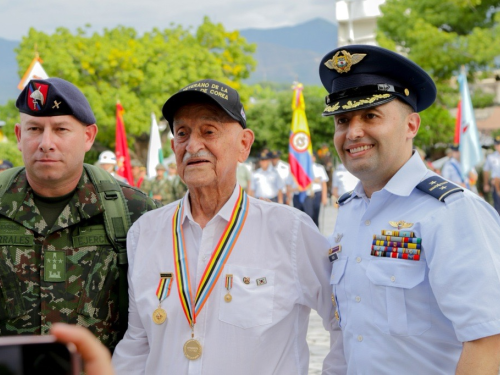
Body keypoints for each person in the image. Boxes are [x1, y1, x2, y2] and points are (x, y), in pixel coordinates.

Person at [112, 79, 339, 374]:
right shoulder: (145, 233)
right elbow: (137, 341)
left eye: (209, 131)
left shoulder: (290, 231)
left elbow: (344, 322)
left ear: (244, 144)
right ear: (173, 147)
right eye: (182, 133)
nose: (193, 145)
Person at [319, 45, 500, 373]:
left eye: (371, 116)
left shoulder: (450, 212)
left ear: (411, 126)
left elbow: (489, 340)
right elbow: (348, 333)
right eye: (342, 120)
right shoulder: (349, 211)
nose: (353, 132)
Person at [0, 78, 159, 351]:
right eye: (34, 129)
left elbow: (155, 321)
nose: (46, 143)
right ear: (18, 136)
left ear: (88, 136)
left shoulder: (134, 211)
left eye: (61, 129)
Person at [291, 154, 329, 227]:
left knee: (314, 216)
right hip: (304, 193)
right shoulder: (301, 167)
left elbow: (323, 183)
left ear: (314, 158)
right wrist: (314, 180)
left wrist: (324, 197)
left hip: (316, 193)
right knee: (305, 217)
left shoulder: (319, 167)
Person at [483, 135, 500, 215]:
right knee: (498, 207)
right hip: (496, 184)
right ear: (495, 146)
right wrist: (486, 183)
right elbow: (486, 171)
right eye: (497, 144)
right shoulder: (491, 157)